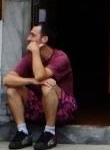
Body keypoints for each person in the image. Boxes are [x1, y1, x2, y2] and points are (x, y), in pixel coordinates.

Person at [4, 22, 77, 150]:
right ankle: (23, 133)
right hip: (39, 108)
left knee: (47, 86)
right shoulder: (29, 58)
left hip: (63, 110)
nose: (28, 38)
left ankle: (49, 133)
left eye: (32, 35)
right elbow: (7, 79)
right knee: (11, 89)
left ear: (44, 39)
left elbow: (40, 76)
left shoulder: (60, 57)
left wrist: (36, 52)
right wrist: (31, 81)